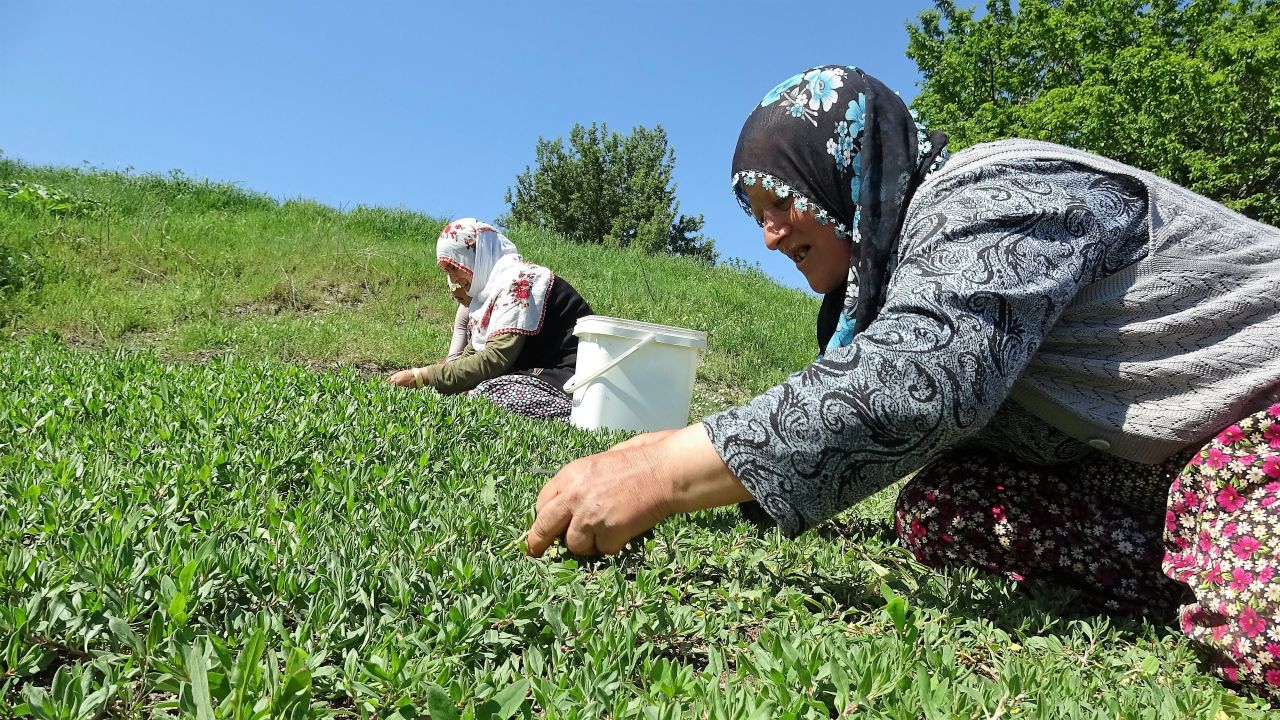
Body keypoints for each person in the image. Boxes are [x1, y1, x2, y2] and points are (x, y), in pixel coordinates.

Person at [525, 65, 1280, 695]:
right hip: (1162, 460)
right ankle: (1201, 558)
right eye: (755, 213)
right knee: (942, 510)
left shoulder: (994, 194)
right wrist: (697, 456)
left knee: (1260, 631)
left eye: (782, 200)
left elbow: (924, 376)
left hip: (1256, 413)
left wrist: (661, 469)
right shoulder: (887, 283)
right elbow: (851, 398)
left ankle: (1226, 562)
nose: (770, 234)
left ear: (841, 169)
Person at [388, 218, 593, 420]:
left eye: (454, 267)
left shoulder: (521, 281)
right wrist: (435, 378)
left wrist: (423, 377)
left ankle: (576, 416)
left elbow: (495, 359)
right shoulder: (489, 293)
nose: (453, 280)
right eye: (446, 271)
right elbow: (474, 352)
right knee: (468, 391)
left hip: (570, 381)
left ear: (475, 256)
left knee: (489, 396)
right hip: (533, 374)